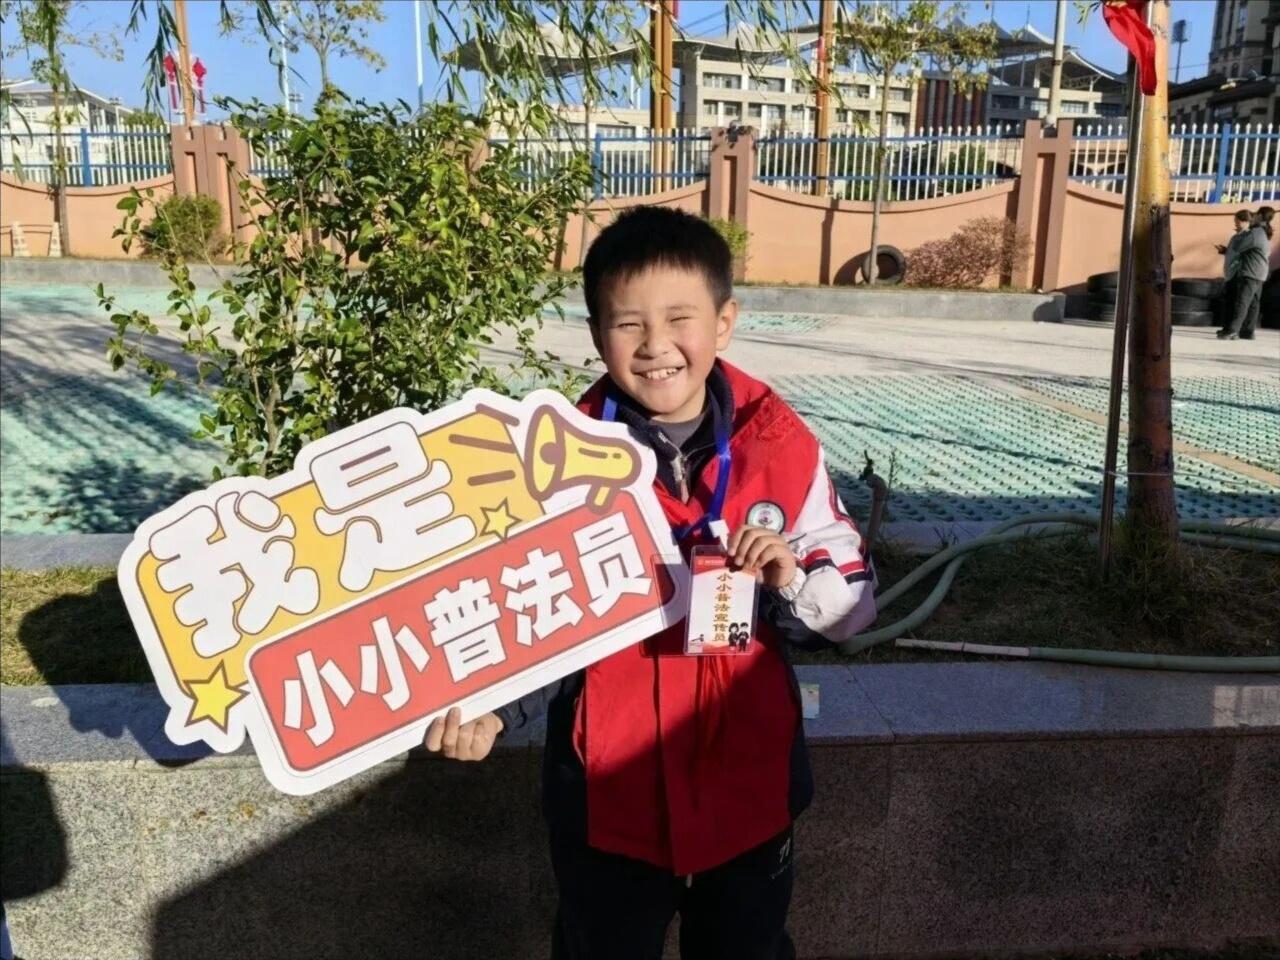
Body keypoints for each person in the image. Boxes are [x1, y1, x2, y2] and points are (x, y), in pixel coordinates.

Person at [424, 206, 876, 959]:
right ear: (597, 333)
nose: (656, 345)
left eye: (679, 319)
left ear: (724, 322)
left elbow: (853, 604)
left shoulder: (779, 443)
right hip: (607, 788)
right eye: (628, 323)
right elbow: (521, 609)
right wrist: (489, 706)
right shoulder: (550, 463)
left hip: (750, 775)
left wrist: (791, 577)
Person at [1218, 206, 1274, 341]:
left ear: (1260, 216)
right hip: (1260, 273)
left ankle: (1233, 331)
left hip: (1250, 272)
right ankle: (1248, 332)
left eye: (1256, 215)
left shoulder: (1256, 233)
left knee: (1242, 302)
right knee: (1254, 303)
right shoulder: (1263, 233)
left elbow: (1239, 247)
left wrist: (1240, 234)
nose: (1253, 217)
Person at [1214, 209, 1253, 326]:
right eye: (1235, 221)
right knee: (1229, 300)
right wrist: (1224, 250)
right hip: (1230, 272)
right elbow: (1234, 253)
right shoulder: (1236, 236)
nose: (1235, 223)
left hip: (1238, 272)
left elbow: (1243, 254)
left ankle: (1233, 327)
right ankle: (1226, 326)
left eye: (1238, 221)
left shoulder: (1249, 237)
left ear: (1246, 221)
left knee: (1236, 301)